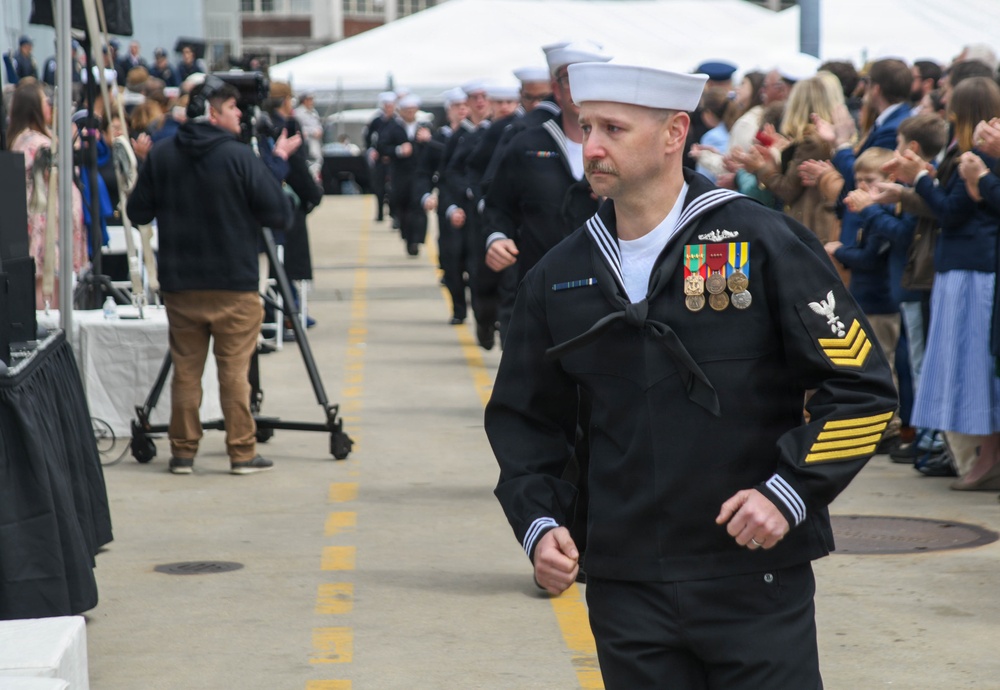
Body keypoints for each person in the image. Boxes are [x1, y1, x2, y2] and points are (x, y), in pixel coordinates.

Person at [485, 61, 897, 688]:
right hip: (626, 585)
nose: (590, 145)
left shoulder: (763, 241)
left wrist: (791, 491)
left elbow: (864, 390)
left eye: (614, 129)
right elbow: (524, 418)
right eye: (587, 125)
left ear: (675, 132)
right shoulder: (561, 273)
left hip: (753, 577)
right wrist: (540, 524)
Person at [127, 76, 294, 476]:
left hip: (181, 286)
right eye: (233, 108)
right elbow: (280, 214)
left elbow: (138, 213)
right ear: (214, 113)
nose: (240, 114)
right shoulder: (238, 157)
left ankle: (183, 453)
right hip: (232, 285)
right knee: (234, 373)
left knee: (186, 372)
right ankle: (241, 451)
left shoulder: (163, 156)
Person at [885, 77, 1000, 490]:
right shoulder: (969, 154)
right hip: (966, 267)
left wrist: (919, 180)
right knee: (971, 366)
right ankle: (981, 455)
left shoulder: (977, 156)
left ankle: (986, 457)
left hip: (975, 271)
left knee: (976, 368)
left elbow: (951, 213)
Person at [7, 81, 88, 309]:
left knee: (49, 278)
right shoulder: (35, 142)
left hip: (47, 217)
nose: (51, 106)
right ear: (34, 107)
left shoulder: (27, 138)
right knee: (47, 280)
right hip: (46, 219)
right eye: (46, 102)